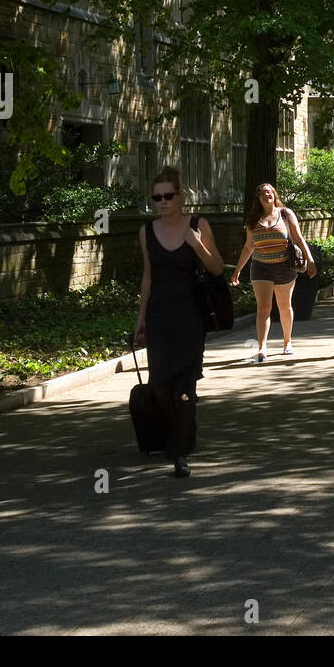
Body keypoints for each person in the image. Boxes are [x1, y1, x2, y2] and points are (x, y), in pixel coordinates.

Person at [134, 166, 224, 478]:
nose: (162, 201)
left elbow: (215, 268)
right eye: (157, 197)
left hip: (190, 316)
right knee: (159, 387)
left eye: (168, 196)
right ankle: (184, 430)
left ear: (180, 197)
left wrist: (197, 245)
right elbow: (147, 277)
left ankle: (180, 452)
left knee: (186, 387)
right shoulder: (146, 232)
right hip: (159, 316)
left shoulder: (198, 225)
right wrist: (141, 318)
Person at [230, 183, 317, 362]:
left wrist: (310, 260)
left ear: (274, 194)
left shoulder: (285, 214)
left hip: (285, 267)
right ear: (258, 198)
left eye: (269, 192)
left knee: (284, 306)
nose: (266, 196)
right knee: (263, 308)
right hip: (261, 267)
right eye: (262, 193)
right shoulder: (252, 220)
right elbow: (248, 247)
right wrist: (237, 271)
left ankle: (287, 342)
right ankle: (262, 348)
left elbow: (299, 238)